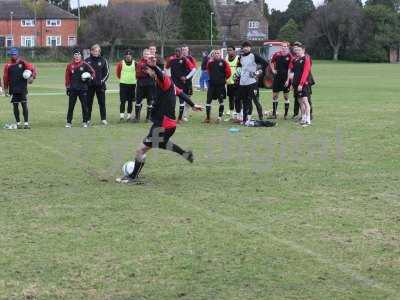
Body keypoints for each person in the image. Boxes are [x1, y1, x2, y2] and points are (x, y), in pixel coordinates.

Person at [116, 54, 203, 184]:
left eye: (147, 70)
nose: (145, 71)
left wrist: (153, 66)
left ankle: (132, 177)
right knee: (160, 143)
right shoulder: (168, 83)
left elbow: (161, 75)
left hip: (163, 124)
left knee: (141, 149)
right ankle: (185, 154)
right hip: (167, 124)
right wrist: (193, 104)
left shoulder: (164, 81)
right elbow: (181, 93)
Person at [2, 48, 36, 129]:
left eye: (14, 54)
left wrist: (32, 77)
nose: (13, 56)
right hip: (13, 89)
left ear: (17, 54)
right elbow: (5, 77)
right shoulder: (8, 65)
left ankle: (26, 124)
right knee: (15, 106)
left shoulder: (23, 63)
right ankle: (18, 123)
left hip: (22, 88)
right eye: (11, 54)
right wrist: (6, 89)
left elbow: (32, 69)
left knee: (24, 105)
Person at [237, 41, 267, 124]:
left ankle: (261, 118)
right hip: (243, 83)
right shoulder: (240, 57)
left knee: (256, 101)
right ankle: (245, 119)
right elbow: (239, 67)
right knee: (245, 101)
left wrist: (258, 73)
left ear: (250, 48)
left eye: (248, 47)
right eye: (244, 47)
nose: (246, 48)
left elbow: (265, 63)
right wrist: (238, 73)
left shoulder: (254, 56)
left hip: (252, 82)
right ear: (242, 48)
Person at [65, 49, 95, 128]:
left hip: (83, 89)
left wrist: (89, 78)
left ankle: (85, 122)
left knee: (84, 106)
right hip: (73, 89)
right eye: (75, 55)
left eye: (78, 55)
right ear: (73, 56)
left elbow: (93, 72)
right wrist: (68, 87)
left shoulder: (85, 64)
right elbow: (67, 77)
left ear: (80, 56)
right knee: (71, 106)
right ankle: (69, 122)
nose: (77, 56)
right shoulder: (70, 65)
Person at [165, 47, 196, 123]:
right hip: (173, 83)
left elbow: (194, 69)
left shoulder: (185, 59)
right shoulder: (171, 59)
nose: (177, 53)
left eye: (179, 51)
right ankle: (170, 117)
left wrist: (186, 77)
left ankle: (180, 118)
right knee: (171, 100)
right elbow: (166, 68)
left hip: (183, 84)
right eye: (176, 51)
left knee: (183, 100)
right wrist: (168, 77)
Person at [287, 43, 312, 127]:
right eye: (296, 50)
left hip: (303, 84)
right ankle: (303, 118)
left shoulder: (306, 58)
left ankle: (308, 120)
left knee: (305, 101)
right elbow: (292, 72)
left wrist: (301, 84)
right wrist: (291, 83)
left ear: (303, 50)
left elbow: (305, 72)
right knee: (300, 102)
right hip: (295, 84)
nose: (297, 51)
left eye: (299, 50)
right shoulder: (295, 59)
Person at [204, 49, 231, 123]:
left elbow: (228, 73)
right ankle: (208, 118)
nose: (216, 54)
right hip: (212, 85)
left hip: (220, 85)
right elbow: (208, 71)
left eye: (218, 53)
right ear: (213, 54)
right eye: (215, 53)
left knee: (221, 101)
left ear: (220, 54)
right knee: (208, 101)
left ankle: (219, 117)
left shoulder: (224, 62)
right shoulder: (210, 62)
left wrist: (222, 79)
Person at [85, 44, 110, 126]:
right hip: (89, 86)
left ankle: (103, 119)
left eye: (97, 51)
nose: (96, 52)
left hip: (100, 85)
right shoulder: (86, 60)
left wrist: (102, 81)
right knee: (88, 103)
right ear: (91, 51)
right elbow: (83, 73)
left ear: (99, 52)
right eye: (94, 51)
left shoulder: (103, 60)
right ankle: (87, 119)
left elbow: (107, 73)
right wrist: (86, 80)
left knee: (102, 103)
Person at [270, 42, 292, 119]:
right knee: (275, 96)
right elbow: (272, 62)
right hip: (277, 78)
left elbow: (290, 69)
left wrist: (287, 80)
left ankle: (285, 115)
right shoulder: (276, 54)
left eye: (285, 46)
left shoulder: (290, 56)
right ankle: (274, 113)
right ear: (280, 47)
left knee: (286, 97)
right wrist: (273, 69)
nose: (284, 47)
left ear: (288, 47)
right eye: (283, 46)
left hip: (285, 78)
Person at [134, 49, 155, 123]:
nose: (146, 55)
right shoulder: (139, 63)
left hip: (150, 85)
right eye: (145, 54)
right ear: (143, 55)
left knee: (150, 101)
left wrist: (149, 72)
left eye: (148, 54)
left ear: (150, 55)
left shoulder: (153, 63)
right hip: (141, 85)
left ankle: (148, 118)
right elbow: (137, 74)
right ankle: (137, 118)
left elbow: (154, 74)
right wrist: (146, 72)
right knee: (138, 100)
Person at [116, 49, 137, 121]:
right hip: (123, 84)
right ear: (125, 56)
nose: (128, 56)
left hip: (132, 84)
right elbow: (118, 73)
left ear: (131, 56)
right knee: (123, 100)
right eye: (127, 55)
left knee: (130, 101)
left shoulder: (135, 63)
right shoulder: (121, 63)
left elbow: (138, 73)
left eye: (130, 55)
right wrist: (123, 79)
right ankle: (121, 116)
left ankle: (129, 116)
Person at [181, 46, 197, 121]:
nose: (184, 51)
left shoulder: (191, 59)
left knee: (188, 98)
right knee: (179, 99)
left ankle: (184, 115)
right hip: (179, 83)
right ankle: (179, 114)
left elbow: (194, 69)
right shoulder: (178, 58)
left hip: (188, 83)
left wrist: (187, 77)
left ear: (188, 50)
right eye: (183, 50)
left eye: (185, 50)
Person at [225, 46, 240, 121]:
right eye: (228, 50)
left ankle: (238, 115)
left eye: (230, 50)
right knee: (230, 99)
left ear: (234, 51)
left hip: (237, 83)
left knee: (238, 99)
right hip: (229, 83)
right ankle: (231, 116)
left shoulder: (238, 58)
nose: (228, 51)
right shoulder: (226, 59)